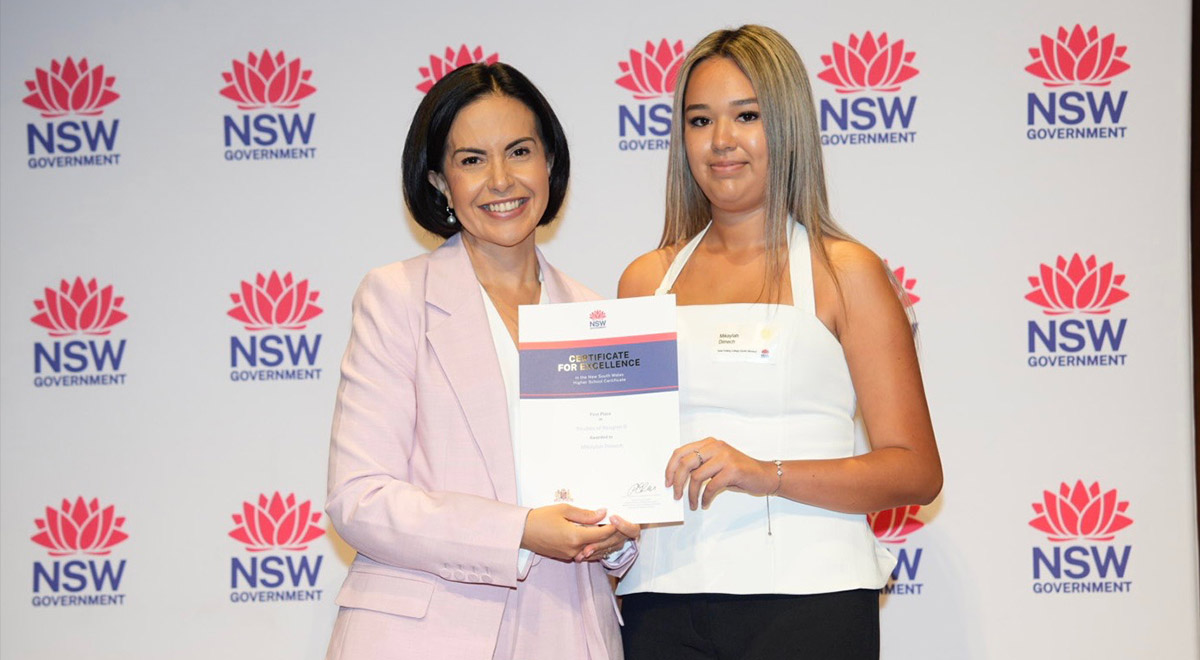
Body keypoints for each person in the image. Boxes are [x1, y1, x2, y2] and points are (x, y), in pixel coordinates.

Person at [616, 25, 942, 660]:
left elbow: (915, 469)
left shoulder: (847, 272)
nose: (721, 141)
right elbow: (621, 451)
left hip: (811, 600)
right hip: (662, 597)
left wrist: (765, 473)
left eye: (747, 115)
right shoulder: (646, 280)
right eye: (699, 119)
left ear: (787, 126)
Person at [325, 62, 638, 660]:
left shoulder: (597, 316)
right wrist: (518, 531)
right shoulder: (396, 297)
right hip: (423, 634)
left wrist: (618, 537)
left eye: (519, 151)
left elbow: (620, 494)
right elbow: (359, 497)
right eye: (471, 160)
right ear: (440, 181)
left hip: (569, 628)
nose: (501, 180)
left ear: (549, 162)